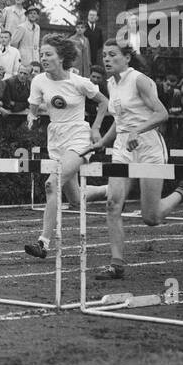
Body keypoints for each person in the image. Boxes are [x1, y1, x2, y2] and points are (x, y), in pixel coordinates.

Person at [91, 39, 183, 281]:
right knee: (112, 203)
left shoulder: (138, 80)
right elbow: (121, 123)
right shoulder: (111, 83)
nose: (107, 59)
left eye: (113, 55)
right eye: (105, 56)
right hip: (122, 147)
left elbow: (161, 113)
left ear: (127, 58)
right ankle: (116, 264)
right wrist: (103, 141)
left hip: (149, 146)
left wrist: (137, 131)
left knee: (151, 218)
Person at [23, 37, 110, 261]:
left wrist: (96, 129)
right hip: (56, 139)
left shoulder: (79, 82)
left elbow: (104, 103)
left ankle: (43, 242)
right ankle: (107, 190)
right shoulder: (39, 81)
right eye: (41, 54)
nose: (44, 58)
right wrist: (32, 116)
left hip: (79, 138)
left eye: (49, 54)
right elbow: (33, 108)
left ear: (61, 57)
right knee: (75, 199)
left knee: (52, 183)